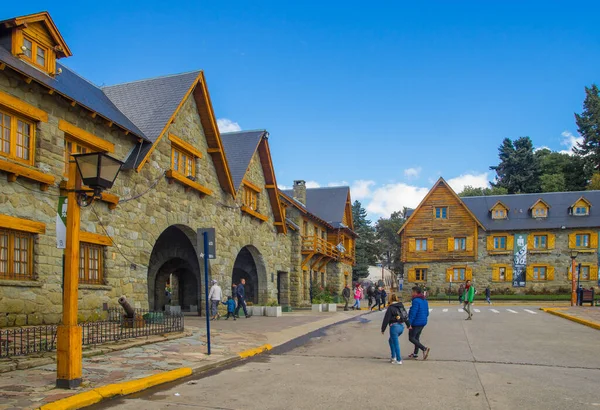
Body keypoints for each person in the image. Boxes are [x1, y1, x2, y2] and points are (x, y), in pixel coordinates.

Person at [381, 294, 408, 364]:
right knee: (391, 340)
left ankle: (398, 359)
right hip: (401, 326)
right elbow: (405, 316)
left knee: (395, 343)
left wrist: (383, 329)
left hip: (394, 327)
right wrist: (408, 325)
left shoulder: (390, 308)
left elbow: (386, 319)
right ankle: (393, 357)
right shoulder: (401, 306)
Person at [407, 286, 431, 360]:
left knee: (411, 338)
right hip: (423, 321)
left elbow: (413, 313)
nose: (411, 293)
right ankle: (415, 353)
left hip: (416, 322)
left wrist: (409, 323)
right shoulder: (424, 300)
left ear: (415, 292)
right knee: (416, 338)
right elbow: (427, 312)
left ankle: (424, 348)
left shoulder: (416, 301)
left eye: (412, 292)